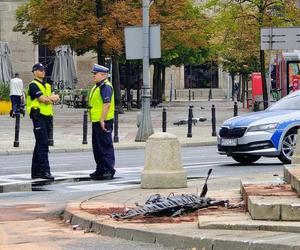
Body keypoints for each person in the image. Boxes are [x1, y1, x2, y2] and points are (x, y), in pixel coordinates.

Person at [26, 63, 60, 180]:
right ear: (34, 72)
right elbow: (43, 99)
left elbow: (52, 98)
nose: (43, 72)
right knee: (43, 144)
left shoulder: (47, 85)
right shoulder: (33, 85)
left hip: (47, 117)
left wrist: (49, 99)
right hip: (38, 116)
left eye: (43, 70)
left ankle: (36, 172)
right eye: (40, 70)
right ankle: (45, 171)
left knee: (40, 144)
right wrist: (51, 99)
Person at [88, 63, 116, 180]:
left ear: (103, 75)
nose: (93, 76)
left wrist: (102, 120)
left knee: (105, 146)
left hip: (103, 121)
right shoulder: (98, 86)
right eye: (93, 74)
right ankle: (100, 169)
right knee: (97, 147)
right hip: (97, 121)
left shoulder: (106, 86)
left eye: (96, 74)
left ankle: (108, 169)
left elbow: (107, 104)